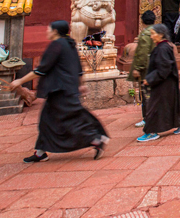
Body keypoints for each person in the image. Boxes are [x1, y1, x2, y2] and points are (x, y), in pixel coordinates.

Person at [8, 21, 109, 162]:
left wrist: (19, 81)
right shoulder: (69, 44)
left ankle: (96, 139)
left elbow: (41, 69)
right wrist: (80, 84)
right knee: (49, 120)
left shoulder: (57, 45)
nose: (47, 32)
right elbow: (78, 68)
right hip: (66, 88)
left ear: (55, 31)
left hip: (60, 90)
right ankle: (40, 152)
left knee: (71, 120)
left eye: (48, 29)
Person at [137, 24, 180, 141]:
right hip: (167, 83)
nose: (151, 37)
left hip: (163, 83)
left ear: (161, 35)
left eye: (153, 34)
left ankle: (151, 131)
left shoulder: (162, 48)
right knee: (169, 105)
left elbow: (164, 68)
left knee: (153, 108)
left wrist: (150, 79)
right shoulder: (164, 47)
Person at [129, 10, 157, 128]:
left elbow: (143, 53)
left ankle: (147, 118)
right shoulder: (158, 32)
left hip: (147, 70)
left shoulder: (146, 34)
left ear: (142, 21)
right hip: (156, 67)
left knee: (146, 95)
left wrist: (137, 68)